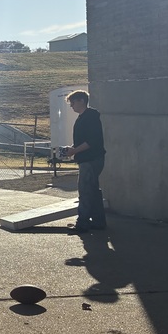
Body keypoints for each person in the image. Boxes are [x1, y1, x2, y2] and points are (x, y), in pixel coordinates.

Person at [61, 90, 106, 233]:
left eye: (72, 103)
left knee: (85, 191)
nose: (71, 106)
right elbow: (85, 141)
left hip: (90, 160)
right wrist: (72, 148)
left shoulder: (90, 117)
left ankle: (82, 223)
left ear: (81, 100)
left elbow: (92, 142)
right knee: (93, 191)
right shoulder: (85, 117)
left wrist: (74, 151)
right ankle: (99, 222)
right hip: (91, 159)